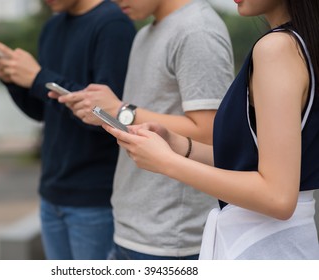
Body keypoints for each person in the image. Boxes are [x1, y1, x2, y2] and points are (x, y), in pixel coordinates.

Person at [103, 0, 319, 259]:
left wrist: (166, 162)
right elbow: (253, 162)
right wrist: (178, 145)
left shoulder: (277, 49)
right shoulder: (298, 44)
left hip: (265, 246)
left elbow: (277, 197)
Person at [51, 0, 234, 259]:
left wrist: (121, 109)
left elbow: (209, 134)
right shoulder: (144, 34)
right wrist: (106, 112)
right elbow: (141, 116)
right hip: (131, 227)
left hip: (171, 238)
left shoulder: (197, 30)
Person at [0, 0, 136, 259]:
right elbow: (42, 111)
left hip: (96, 197)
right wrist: (14, 80)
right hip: (51, 192)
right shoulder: (52, 26)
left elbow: (110, 120)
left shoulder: (113, 24)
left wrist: (37, 77)